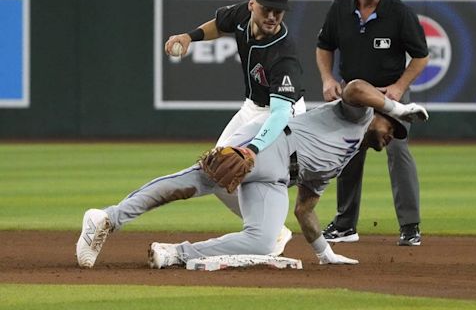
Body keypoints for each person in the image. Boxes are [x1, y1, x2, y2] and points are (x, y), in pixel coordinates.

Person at [76, 79, 428, 269]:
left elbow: (304, 209)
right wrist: (395, 106)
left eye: (397, 133)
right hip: (270, 145)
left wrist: (324, 253)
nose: (391, 134)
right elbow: (354, 88)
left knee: (263, 241)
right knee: (194, 182)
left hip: (277, 181)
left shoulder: (343, 158)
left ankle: (176, 254)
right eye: (393, 127)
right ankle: (106, 218)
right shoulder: (359, 116)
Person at [166, 0, 306, 256]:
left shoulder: (283, 50)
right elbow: (219, 25)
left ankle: (266, 231)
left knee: (229, 167)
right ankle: (272, 230)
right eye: (266, 8)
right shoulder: (243, 14)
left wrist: (253, 148)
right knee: (215, 170)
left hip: (282, 110)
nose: (272, 16)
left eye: (278, 10)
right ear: (253, 4)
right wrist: (189, 36)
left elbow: (279, 114)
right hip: (252, 107)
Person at [316, 0, 429, 246]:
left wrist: (400, 87)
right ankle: (345, 224)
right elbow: (324, 45)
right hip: (354, 97)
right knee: (349, 151)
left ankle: (410, 225)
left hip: (389, 96)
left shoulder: (399, 12)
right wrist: (328, 78)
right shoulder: (340, 8)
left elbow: (421, 56)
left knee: (398, 151)